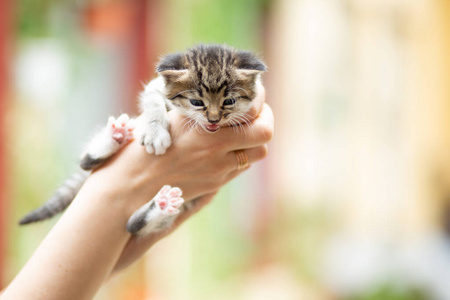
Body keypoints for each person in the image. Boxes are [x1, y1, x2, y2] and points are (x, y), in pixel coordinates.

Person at [0, 87, 274, 300]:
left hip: (151, 198)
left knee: (154, 213)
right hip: (138, 175)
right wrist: (125, 182)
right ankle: (119, 161)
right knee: (99, 166)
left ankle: (149, 198)